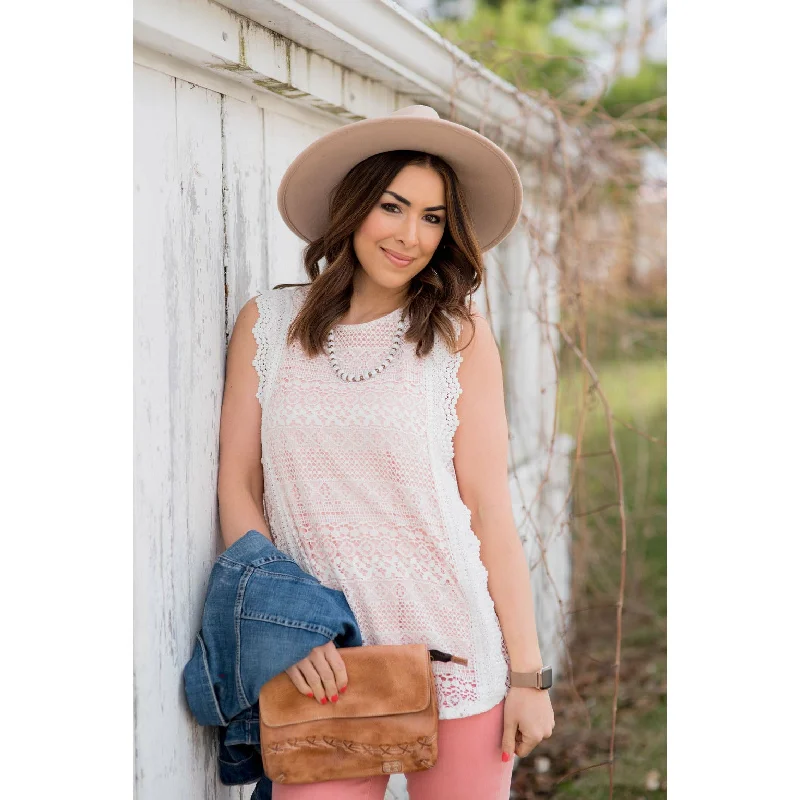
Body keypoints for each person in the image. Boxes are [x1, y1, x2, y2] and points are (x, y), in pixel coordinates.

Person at [217, 105, 555, 800]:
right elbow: (237, 484)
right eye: (392, 206)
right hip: (326, 660)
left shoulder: (458, 336)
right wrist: (288, 628)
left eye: (432, 217)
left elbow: (490, 512)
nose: (410, 235)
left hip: (457, 653)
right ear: (352, 209)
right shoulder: (269, 323)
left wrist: (528, 678)